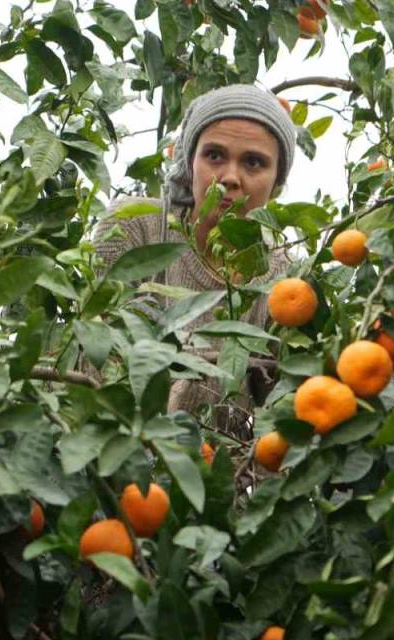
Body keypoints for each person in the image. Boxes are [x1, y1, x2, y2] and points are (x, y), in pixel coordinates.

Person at [93, 84, 300, 439]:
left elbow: (278, 421)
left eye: (254, 162)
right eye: (215, 156)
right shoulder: (136, 228)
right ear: (190, 163)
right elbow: (99, 360)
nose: (231, 177)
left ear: (277, 182)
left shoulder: (285, 281)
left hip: (210, 477)